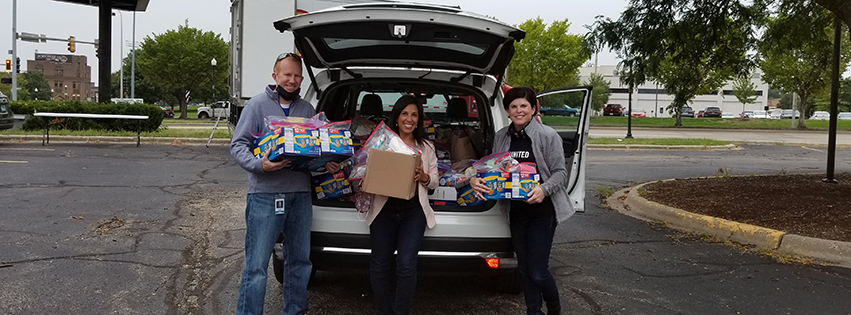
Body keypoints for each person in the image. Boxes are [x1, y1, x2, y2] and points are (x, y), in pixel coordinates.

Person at [230, 52, 330, 315]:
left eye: (297, 76)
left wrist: (327, 162)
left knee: (299, 262)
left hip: (300, 196)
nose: (293, 80)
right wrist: (258, 165)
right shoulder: (257, 106)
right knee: (256, 266)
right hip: (265, 194)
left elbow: (313, 150)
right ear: (275, 76)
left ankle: (294, 311)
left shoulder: (307, 110)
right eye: (287, 74)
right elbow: (238, 145)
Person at [469, 87, 573, 315]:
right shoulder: (502, 136)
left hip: (542, 213)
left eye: (524, 106)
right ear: (507, 110)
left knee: (538, 272)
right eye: (513, 106)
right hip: (516, 213)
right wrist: (477, 179)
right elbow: (493, 169)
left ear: (533, 108)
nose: (519, 111)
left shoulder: (547, 135)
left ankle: (554, 308)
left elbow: (560, 173)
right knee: (524, 270)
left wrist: (543, 190)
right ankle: (533, 311)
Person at [362, 95, 439, 315]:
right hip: (383, 210)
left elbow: (435, 180)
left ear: (419, 120)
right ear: (396, 117)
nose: (409, 119)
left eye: (414, 115)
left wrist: (424, 177)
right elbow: (363, 170)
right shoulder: (382, 142)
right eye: (404, 113)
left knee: (406, 264)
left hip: (413, 212)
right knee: (379, 264)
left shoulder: (426, 147)